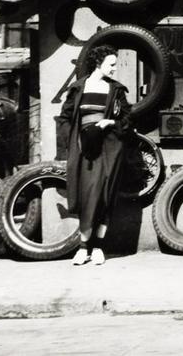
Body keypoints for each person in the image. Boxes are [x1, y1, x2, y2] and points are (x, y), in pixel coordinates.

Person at [57, 44, 132, 266]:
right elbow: (65, 118)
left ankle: (98, 247)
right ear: (98, 64)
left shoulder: (116, 90)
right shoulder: (79, 88)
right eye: (111, 64)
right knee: (87, 196)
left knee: (105, 196)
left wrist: (111, 122)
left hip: (109, 147)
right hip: (85, 149)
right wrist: (73, 143)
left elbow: (127, 119)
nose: (115, 69)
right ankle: (83, 248)